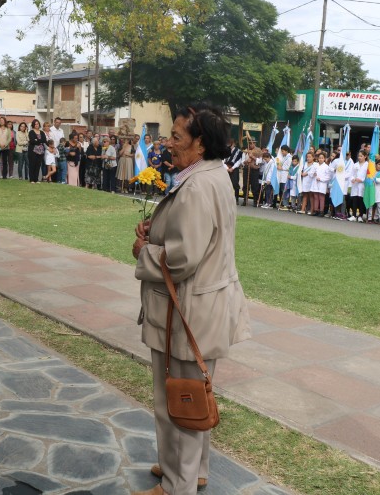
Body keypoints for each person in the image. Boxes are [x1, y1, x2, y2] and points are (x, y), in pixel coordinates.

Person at [131, 106, 250, 495]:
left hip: (187, 311)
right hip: (201, 307)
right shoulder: (213, 174)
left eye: (177, 136)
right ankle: (191, 471)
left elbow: (182, 259)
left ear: (200, 144)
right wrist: (158, 228)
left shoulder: (198, 186)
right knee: (193, 396)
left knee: (179, 400)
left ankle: (175, 485)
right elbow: (196, 234)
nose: (169, 142)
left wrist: (144, 251)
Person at [27, 119, 47, 183]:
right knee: (32, 165)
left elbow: (44, 140)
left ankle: (36, 179)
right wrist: (39, 141)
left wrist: (37, 140)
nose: (36, 125)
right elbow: (32, 141)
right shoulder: (31, 132)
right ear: (33, 125)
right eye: (35, 124)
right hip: (33, 151)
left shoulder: (42, 132)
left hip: (41, 151)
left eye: (37, 124)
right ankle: (32, 179)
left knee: (38, 165)